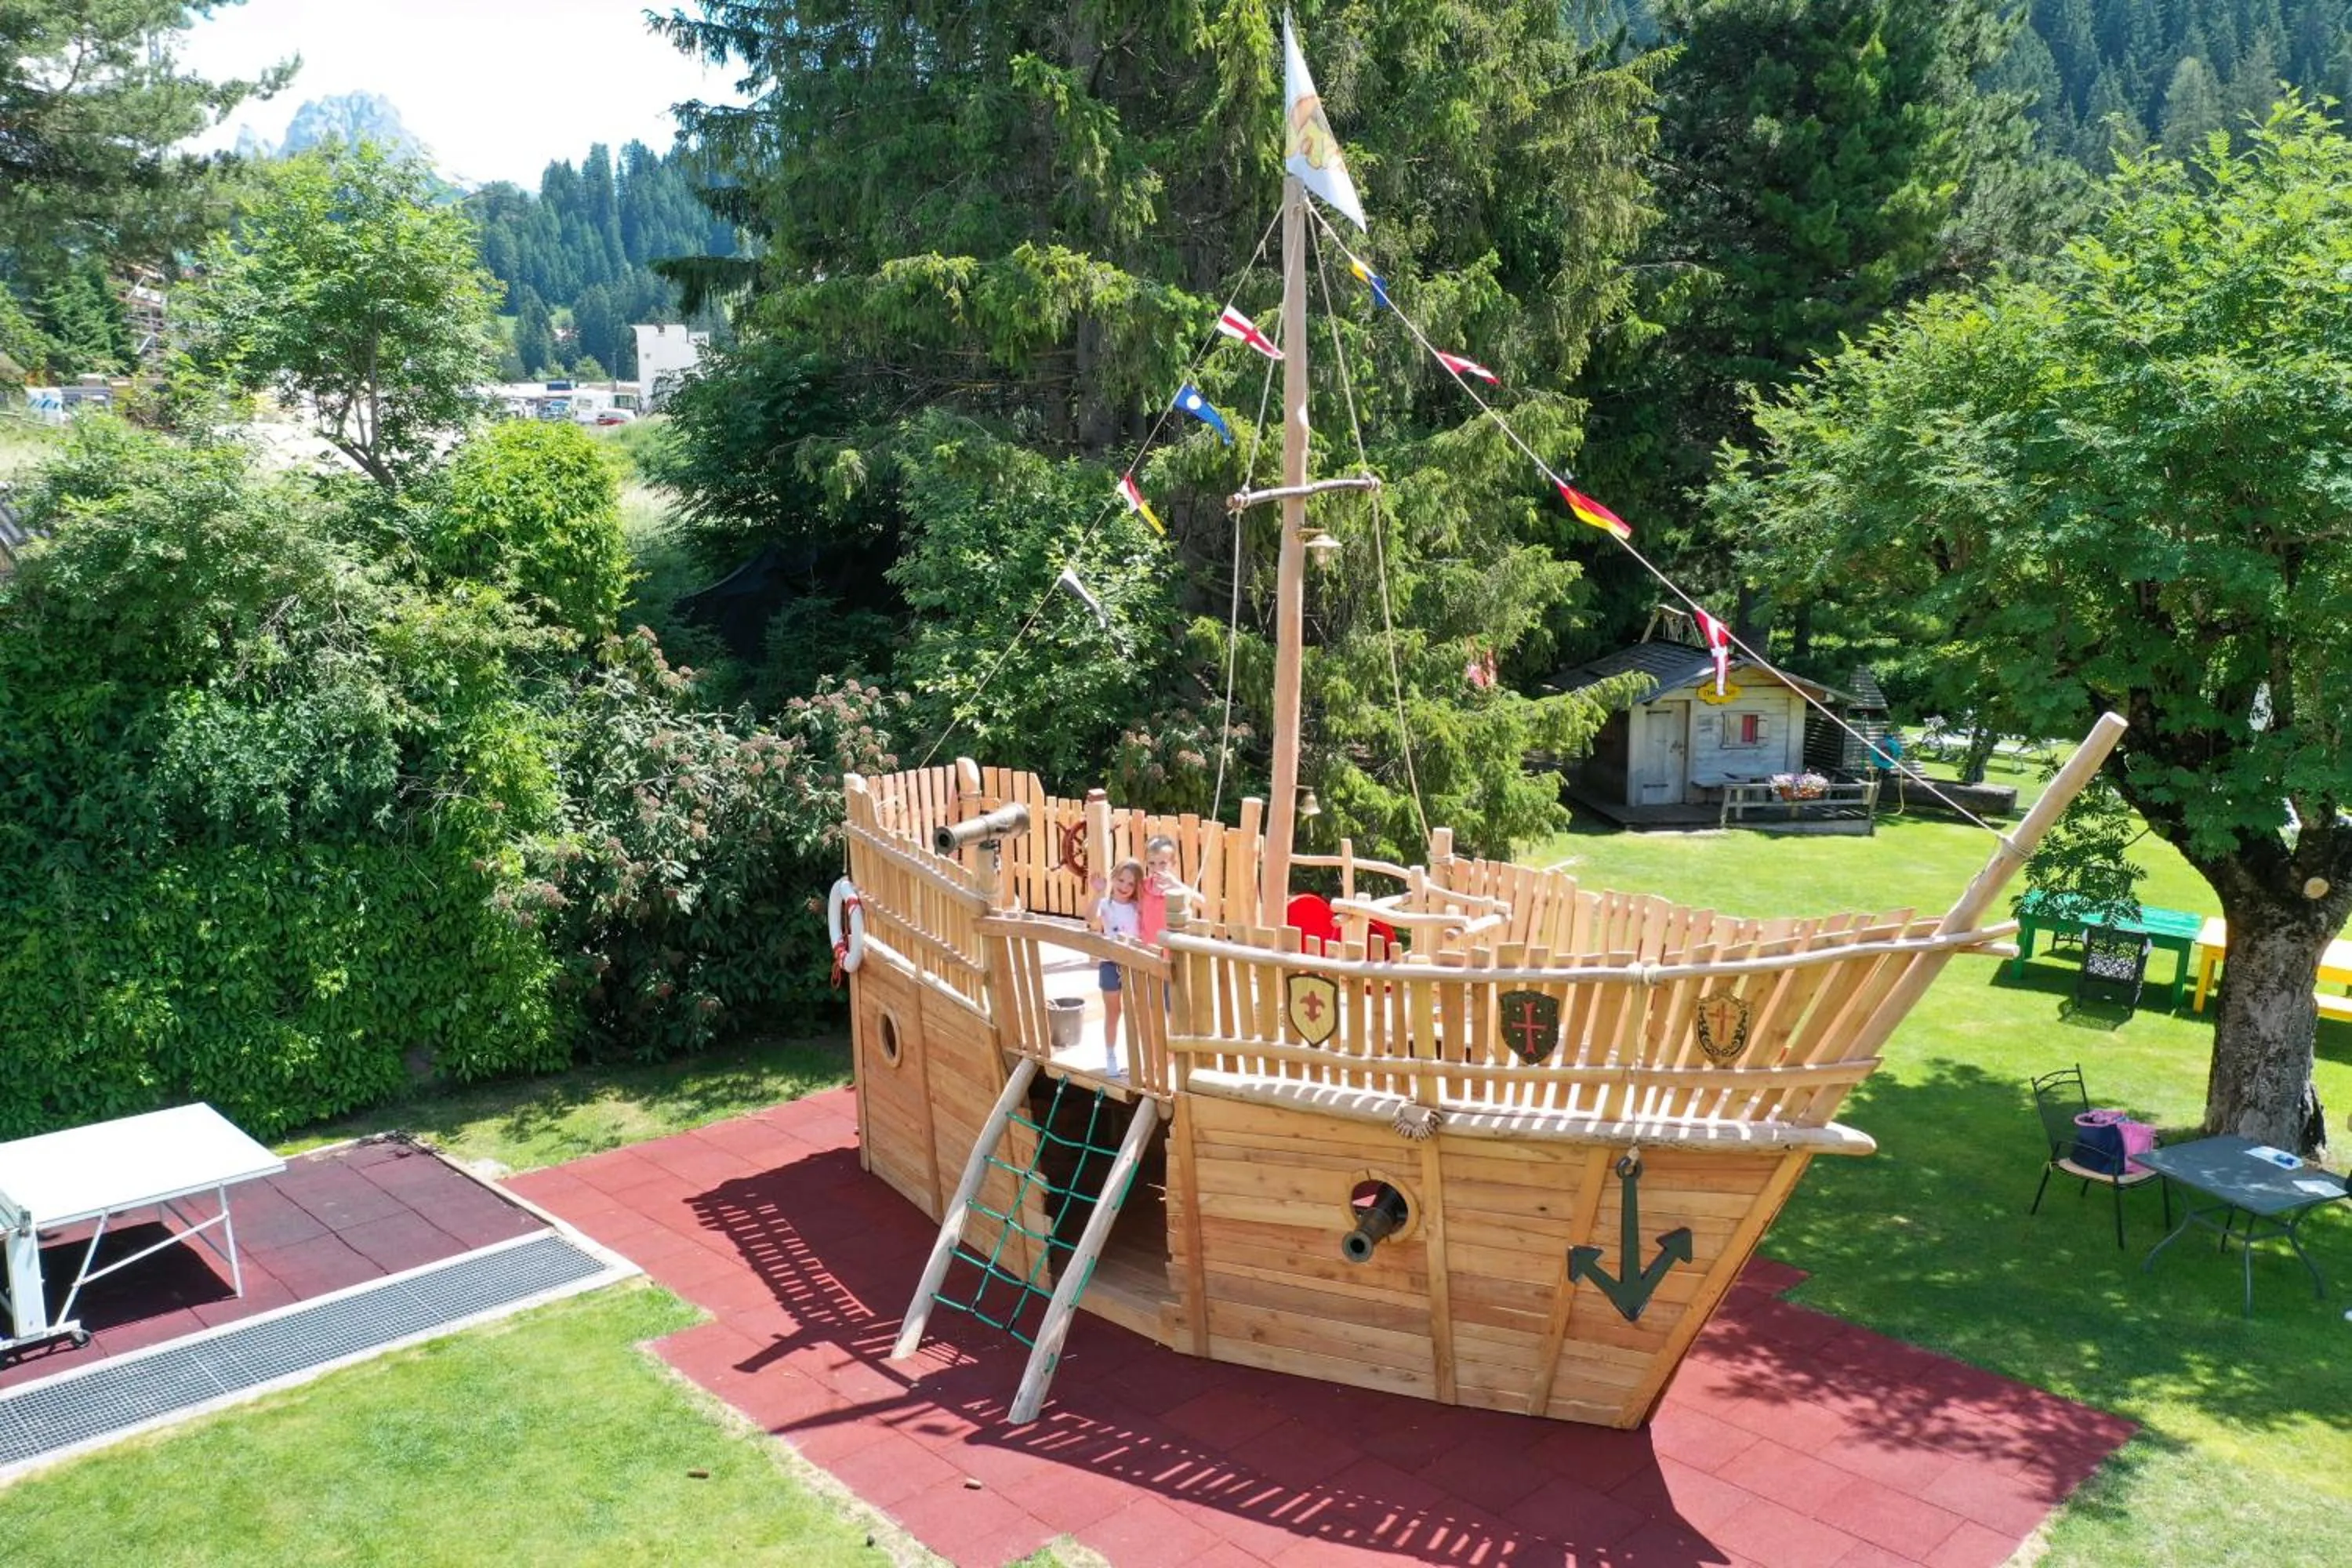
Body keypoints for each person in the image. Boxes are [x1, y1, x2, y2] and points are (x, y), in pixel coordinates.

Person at [1089, 858, 1145, 1073]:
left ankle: (1138, 1058)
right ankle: (1111, 1055)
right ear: (1113, 879)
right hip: (1110, 964)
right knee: (1114, 1012)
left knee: (1138, 1013)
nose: (1124, 887)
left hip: (1133, 965)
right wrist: (1097, 893)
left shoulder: (1137, 907)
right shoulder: (1105, 904)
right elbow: (1089, 918)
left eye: (1130, 884)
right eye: (1121, 880)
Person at [1139, 834, 1193, 949]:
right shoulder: (1143, 886)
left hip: (1170, 950)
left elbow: (1202, 903)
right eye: (1152, 863)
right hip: (1147, 948)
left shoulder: (1176, 889)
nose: (1157, 869)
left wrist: (1176, 884)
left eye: (1162, 863)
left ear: (1173, 863)